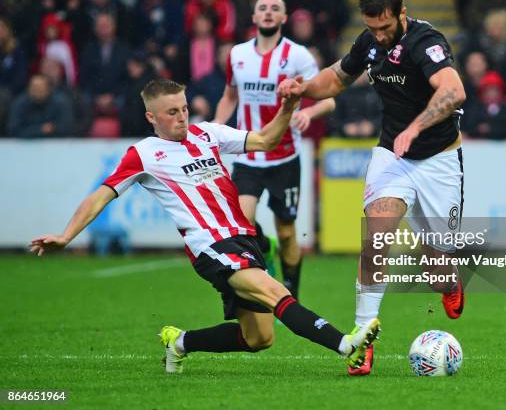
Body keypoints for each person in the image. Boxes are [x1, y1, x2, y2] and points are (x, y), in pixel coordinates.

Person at [29, 78, 380, 374]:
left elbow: (265, 140)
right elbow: (101, 196)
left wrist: (287, 106)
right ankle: (345, 344)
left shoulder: (206, 133)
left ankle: (180, 342)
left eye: (183, 108)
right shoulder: (145, 153)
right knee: (275, 292)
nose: (181, 117)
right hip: (211, 247)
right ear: (151, 117)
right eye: (172, 112)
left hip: (244, 240)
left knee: (259, 338)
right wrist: (66, 235)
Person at [278, 0, 467, 376]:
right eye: (371, 28)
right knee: (377, 236)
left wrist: (415, 127)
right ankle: (362, 338)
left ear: (401, 13)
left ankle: (451, 285)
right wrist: (305, 88)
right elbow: (337, 78)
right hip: (392, 156)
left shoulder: (425, 41)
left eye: (384, 27)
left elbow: (453, 91)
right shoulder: (368, 42)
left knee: (438, 269)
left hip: (438, 161)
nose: (378, 36)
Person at [213, 0, 335, 300]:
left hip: (284, 158)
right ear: (254, 18)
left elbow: (329, 99)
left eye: (275, 9)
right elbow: (230, 96)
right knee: (244, 223)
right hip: (248, 155)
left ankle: (291, 290)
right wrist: (213, 130)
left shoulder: (298, 56)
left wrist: (307, 111)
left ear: (284, 18)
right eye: (262, 8)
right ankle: (264, 254)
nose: (268, 13)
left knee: (287, 233)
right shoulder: (238, 54)